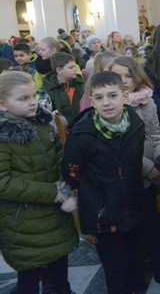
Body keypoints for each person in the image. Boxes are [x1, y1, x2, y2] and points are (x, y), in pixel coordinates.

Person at [61, 71, 147, 293]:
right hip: (103, 213)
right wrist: (96, 195)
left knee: (135, 263)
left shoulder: (135, 123)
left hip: (132, 205)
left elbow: (135, 162)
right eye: (99, 98)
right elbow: (71, 172)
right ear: (91, 100)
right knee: (115, 268)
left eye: (112, 95)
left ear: (125, 96)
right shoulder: (82, 134)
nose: (106, 103)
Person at [0, 71, 78, 294]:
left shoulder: (42, 124)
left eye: (34, 96)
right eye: (23, 99)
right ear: (3, 104)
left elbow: (59, 154)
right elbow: (3, 183)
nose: (33, 103)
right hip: (22, 221)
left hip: (54, 215)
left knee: (59, 271)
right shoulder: (3, 137)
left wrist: (66, 180)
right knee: (30, 278)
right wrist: (51, 192)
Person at [108, 57, 160, 291]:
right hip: (125, 179)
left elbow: (155, 134)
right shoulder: (109, 107)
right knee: (132, 230)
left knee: (153, 226)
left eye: (129, 76)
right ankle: (135, 274)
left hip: (148, 179)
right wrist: (150, 168)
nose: (124, 81)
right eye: (118, 76)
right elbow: (119, 149)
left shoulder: (145, 103)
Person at [42, 52, 85, 122]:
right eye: (71, 67)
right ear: (59, 70)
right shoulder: (48, 89)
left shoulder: (80, 83)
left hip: (81, 124)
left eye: (75, 66)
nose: (75, 69)